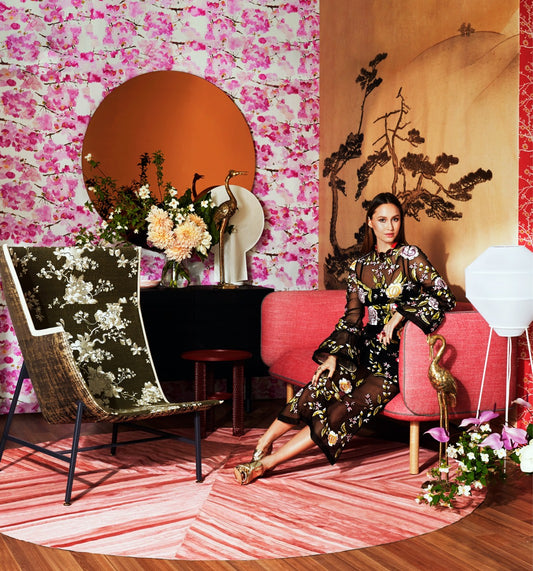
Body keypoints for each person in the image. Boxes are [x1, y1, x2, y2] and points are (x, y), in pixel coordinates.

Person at [233, 192, 456, 485]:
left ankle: (267, 465)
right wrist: (334, 356)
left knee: (340, 412)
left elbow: (444, 297)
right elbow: (352, 318)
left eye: (395, 219)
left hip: (396, 362)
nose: (390, 227)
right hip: (362, 351)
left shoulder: (411, 257)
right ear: (370, 223)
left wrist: (401, 314)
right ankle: (263, 443)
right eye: (382, 220)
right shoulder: (358, 267)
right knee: (319, 386)